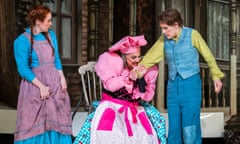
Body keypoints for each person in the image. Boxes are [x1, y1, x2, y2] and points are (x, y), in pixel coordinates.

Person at [130, 9, 225, 144]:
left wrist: (216, 76)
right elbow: (151, 57)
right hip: (173, 85)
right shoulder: (164, 39)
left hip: (191, 84)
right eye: (162, 28)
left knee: (189, 124)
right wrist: (138, 71)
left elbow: (208, 56)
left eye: (165, 28)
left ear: (176, 25)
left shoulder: (192, 35)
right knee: (174, 125)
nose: (163, 32)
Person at [73, 35, 166, 144]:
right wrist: (127, 78)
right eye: (133, 57)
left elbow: (147, 97)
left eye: (139, 57)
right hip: (112, 106)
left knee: (156, 122)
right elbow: (110, 86)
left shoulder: (142, 69)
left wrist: (142, 79)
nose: (137, 60)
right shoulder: (114, 65)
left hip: (134, 107)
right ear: (124, 57)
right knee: (112, 132)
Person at [13, 5, 72, 144]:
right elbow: (23, 68)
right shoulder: (22, 41)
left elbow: (56, 58)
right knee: (35, 122)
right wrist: (41, 86)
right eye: (48, 20)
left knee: (57, 119)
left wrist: (62, 77)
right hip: (35, 85)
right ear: (38, 22)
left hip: (54, 83)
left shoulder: (51, 36)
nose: (51, 23)